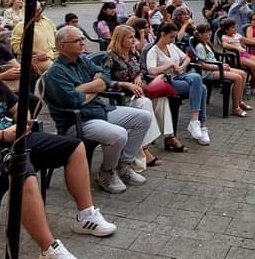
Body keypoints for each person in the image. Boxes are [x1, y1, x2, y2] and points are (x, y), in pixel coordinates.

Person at [0, 41, 117, 259]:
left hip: (15, 142)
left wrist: (24, 120)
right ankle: (49, 249)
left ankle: (86, 216)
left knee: (74, 146)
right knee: (24, 173)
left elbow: (19, 109)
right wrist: (1, 135)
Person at [43, 26, 153, 194]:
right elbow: (73, 101)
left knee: (144, 117)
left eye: (82, 39)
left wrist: (83, 89)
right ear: (62, 46)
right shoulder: (55, 72)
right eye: (77, 40)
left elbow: (106, 77)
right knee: (118, 134)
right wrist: (96, 88)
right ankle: (106, 172)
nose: (82, 42)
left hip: (100, 110)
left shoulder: (83, 60)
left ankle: (123, 165)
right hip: (78, 121)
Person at [105, 25, 182, 154]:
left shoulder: (133, 52)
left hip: (141, 90)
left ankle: (169, 136)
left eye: (133, 37)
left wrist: (138, 75)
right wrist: (125, 84)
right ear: (120, 39)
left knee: (161, 98)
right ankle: (144, 149)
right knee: (145, 102)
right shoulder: (110, 56)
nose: (133, 40)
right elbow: (105, 80)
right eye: (130, 37)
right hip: (125, 96)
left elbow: (142, 69)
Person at [147, 22, 210, 145]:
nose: (173, 39)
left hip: (180, 76)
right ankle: (201, 125)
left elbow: (186, 58)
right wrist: (169, 65)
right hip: (168, 82)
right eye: (171, 37)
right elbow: (152, 70)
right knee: (202, 88)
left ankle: (195, 122)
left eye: (174, 37)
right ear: (162, 34)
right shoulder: (153, 51)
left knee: (198, 79)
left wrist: (181, 67)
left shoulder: (172, 46)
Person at [191, 23, 250, 117]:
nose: (209, 34)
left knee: (243, 73)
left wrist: (222, 65)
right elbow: (202, 65)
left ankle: (239, 101)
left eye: (210, 32)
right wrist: (220, 67)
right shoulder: (200, 47)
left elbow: (212, 59)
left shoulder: (206, 44)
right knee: (238, 78)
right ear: (200, 34)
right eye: (206, 32)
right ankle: (235, 108)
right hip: (209, 73)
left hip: (217, 68)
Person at [219, 18, 255, 94]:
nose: (235, 29)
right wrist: (235, 47)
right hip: (235, 57)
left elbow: (245, 40)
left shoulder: (236, 35)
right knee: (254, 65)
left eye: (235, 27)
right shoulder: (225, 37)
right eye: (232, 27)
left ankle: (252, 84)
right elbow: (224, 45)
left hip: (244, 54)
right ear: (226, 30)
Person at [10, 5, 57, 73]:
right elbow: (16, 47)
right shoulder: (21, 26)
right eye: (36, 10)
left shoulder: (48, 21)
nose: (39, 12)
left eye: (39, 9)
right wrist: (35, 52)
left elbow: (57, 37)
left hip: (54, 54)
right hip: (34, 59)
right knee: (56, 69)